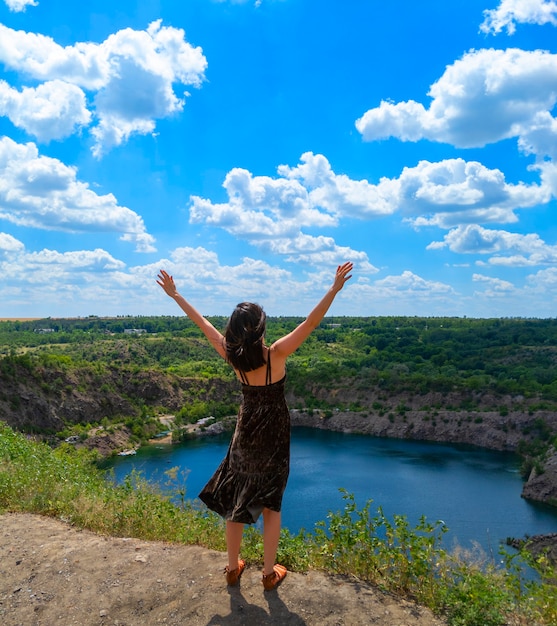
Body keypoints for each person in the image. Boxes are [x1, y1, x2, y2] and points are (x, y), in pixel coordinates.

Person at [156, 262, 353, 590]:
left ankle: (233, 568)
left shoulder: (231, 356)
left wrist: (176, 295)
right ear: (261, 330)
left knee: (237, 499)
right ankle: (267, 573)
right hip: (274, 439)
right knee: (270, 504)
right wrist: (333, 290)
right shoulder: (276, 354)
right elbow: (311, 322)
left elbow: (201, 323)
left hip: (245, 436)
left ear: (234, 331)